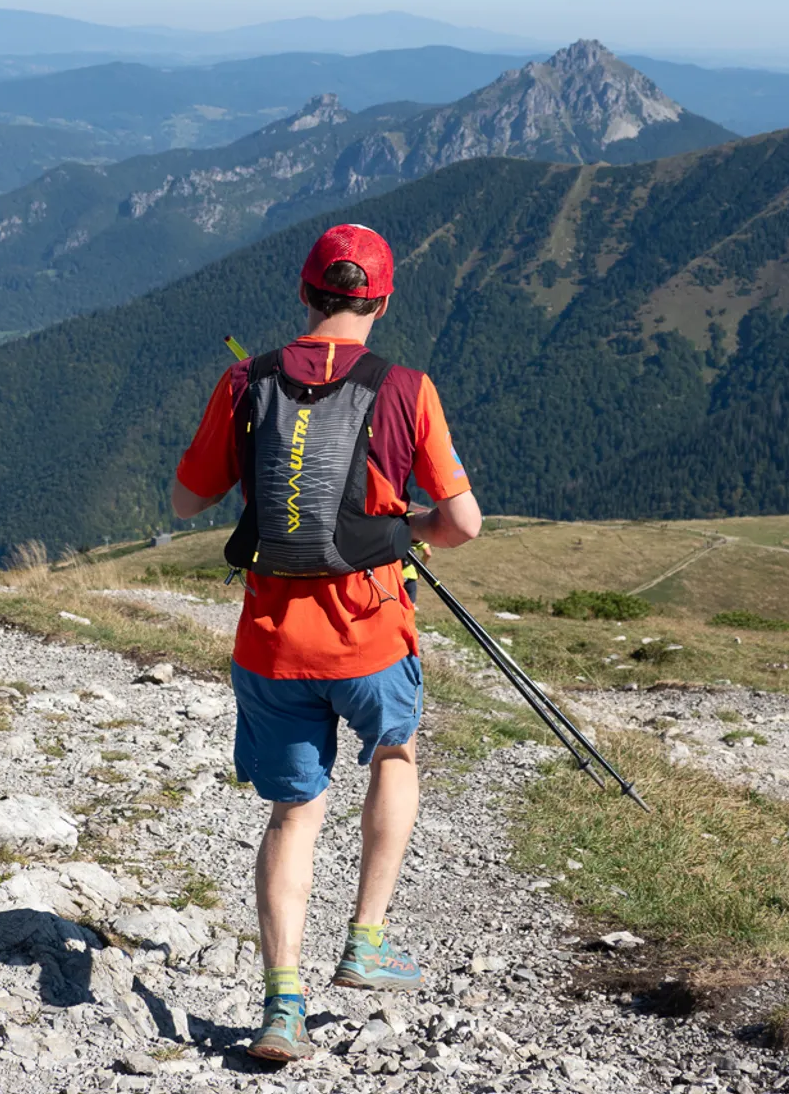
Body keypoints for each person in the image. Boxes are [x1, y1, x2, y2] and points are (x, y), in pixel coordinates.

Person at [171, 223, 482, 1062]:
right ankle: (368, 939)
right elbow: (462, 524)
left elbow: (186, 500)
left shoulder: (246, 380)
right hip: (372, 629)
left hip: (271, 641)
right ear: (380, 302)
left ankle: (281, 1008)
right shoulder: (406, 388)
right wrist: (403, 523)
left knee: (292, 814)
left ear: (306, 294)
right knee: (395, 752)